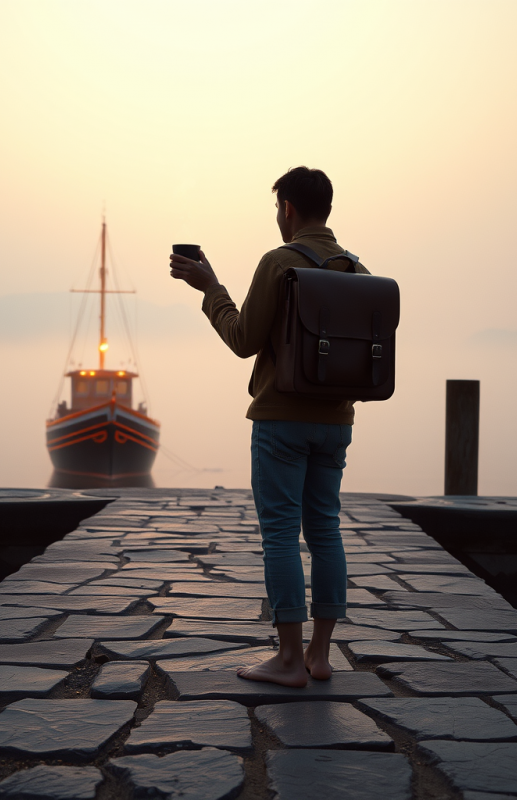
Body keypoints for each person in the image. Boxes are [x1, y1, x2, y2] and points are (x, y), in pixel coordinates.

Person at [169, 166, 369, 687]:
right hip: (336, 423)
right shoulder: (357, 270)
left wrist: (210, 288)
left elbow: (243, 338)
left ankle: (286, 658)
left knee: (280, 533)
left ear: (288, 210)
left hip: (282, 419)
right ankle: (319, 656)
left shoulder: (279, 262)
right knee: (324, 528)